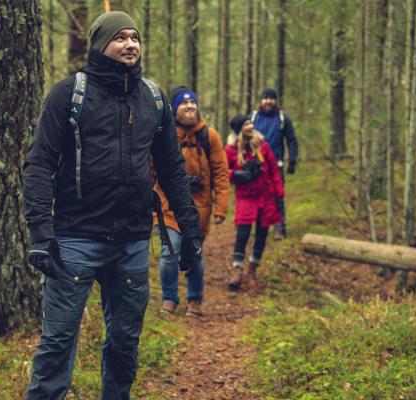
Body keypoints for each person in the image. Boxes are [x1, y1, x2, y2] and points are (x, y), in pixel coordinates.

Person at [22, 11, 201, 400]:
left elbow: (172, 168)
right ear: (101, 45)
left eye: (135, 37)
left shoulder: (153, 98)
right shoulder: (68, 95)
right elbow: (38, 165)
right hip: (74, 240)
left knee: (124, 343)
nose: (131, 44)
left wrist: (189, 228)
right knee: (57, 342)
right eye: (120, 37)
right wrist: (40, 231)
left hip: (133, 241)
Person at [156, 85, 230, 316]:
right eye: (184, 103)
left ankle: (195, 300)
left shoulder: (210, 136)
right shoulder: (163, 134)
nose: (189, 106)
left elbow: (221, 172)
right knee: (170, 250)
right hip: (167, 204)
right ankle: (169, 298)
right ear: (175, 109)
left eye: (192, 103)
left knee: (194, 251)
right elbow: (150, 168)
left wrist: (221, 207)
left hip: (199, 206)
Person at [225, 115, 284, 291]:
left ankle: (252, 270)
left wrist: (279, 195)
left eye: (250, 123)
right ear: (238, 129)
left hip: (265, 196)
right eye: (246, 124)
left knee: (262, 233)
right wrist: (235, 175)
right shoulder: (231, 149)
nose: (250, 126)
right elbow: (221, 169)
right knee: (242, 233)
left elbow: (274, 170)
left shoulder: (262, 145)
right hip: (245, 197)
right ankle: (237, 269)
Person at [249, 88, 298, 240]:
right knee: (255, 197)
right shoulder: (253, 117)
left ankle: (279, 228)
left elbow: (291, 139)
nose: (268, 101)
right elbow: (242, 137)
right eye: (265, 98)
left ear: (276, 101)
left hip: (276, 165)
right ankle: (258, 227)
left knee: (277, 196)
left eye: (271, 98)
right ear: (260, 100)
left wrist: (292, 160)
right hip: (255, 165)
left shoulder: (283, 118)